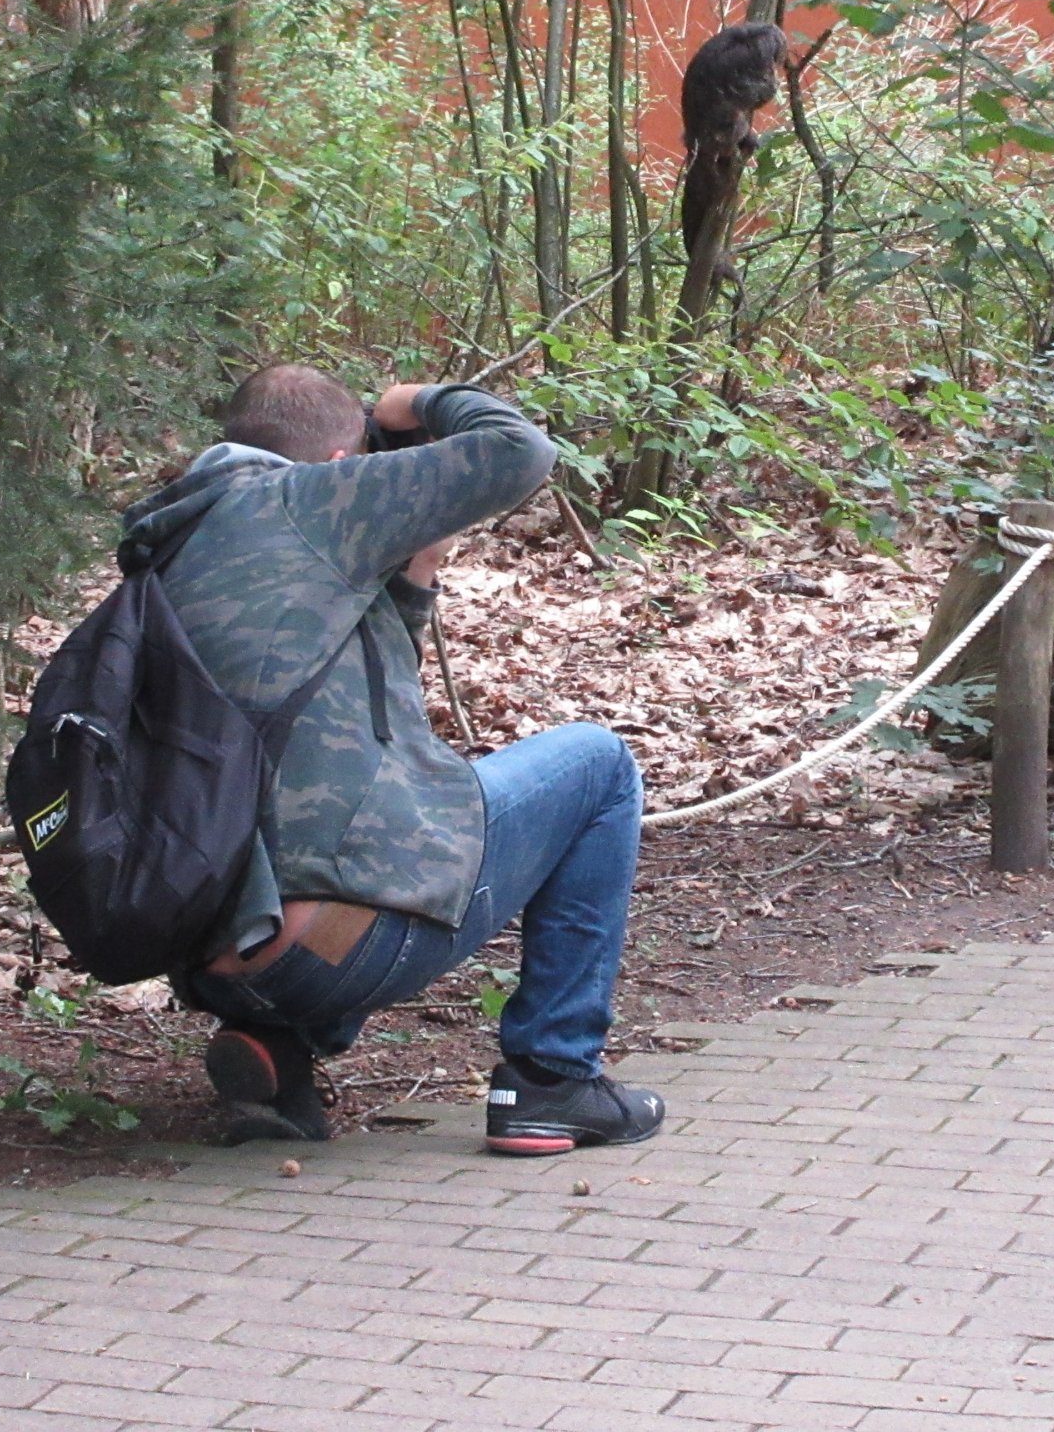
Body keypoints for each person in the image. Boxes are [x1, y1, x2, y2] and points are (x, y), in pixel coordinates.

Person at [121, 364, 667, 1151]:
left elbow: (358, 714)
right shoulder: (313, 498)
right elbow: (519, 450)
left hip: (208, 958)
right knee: (598, 764)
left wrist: (415, 576)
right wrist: (416, 403)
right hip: (330, 951)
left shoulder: (178, 532)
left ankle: (277, 1053)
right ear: (349, 468)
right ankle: (553, 1078)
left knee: (325, 808)